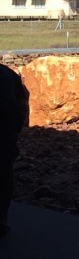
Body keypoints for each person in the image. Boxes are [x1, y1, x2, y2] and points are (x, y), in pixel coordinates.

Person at [0, 63, 29, 236]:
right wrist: (15, 130)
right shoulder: (8, 75)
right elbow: (22, 102)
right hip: (5, 137)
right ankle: (1, 218)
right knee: (4, 175)